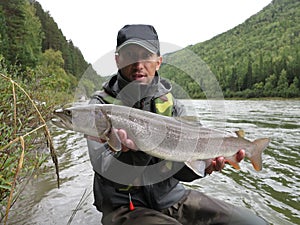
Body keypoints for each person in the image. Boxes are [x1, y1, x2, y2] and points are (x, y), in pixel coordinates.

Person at [86, 24, 269, 225]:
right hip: (124, 206)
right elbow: (103, 167)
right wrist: (135, 152)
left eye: (146, 55)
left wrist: (206, 165)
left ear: (158, 62)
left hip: (172, 198)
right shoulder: (99, 108)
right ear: (117, 60)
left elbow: (182, 170)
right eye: (130, 55)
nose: (138, 64)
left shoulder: (175, 107)